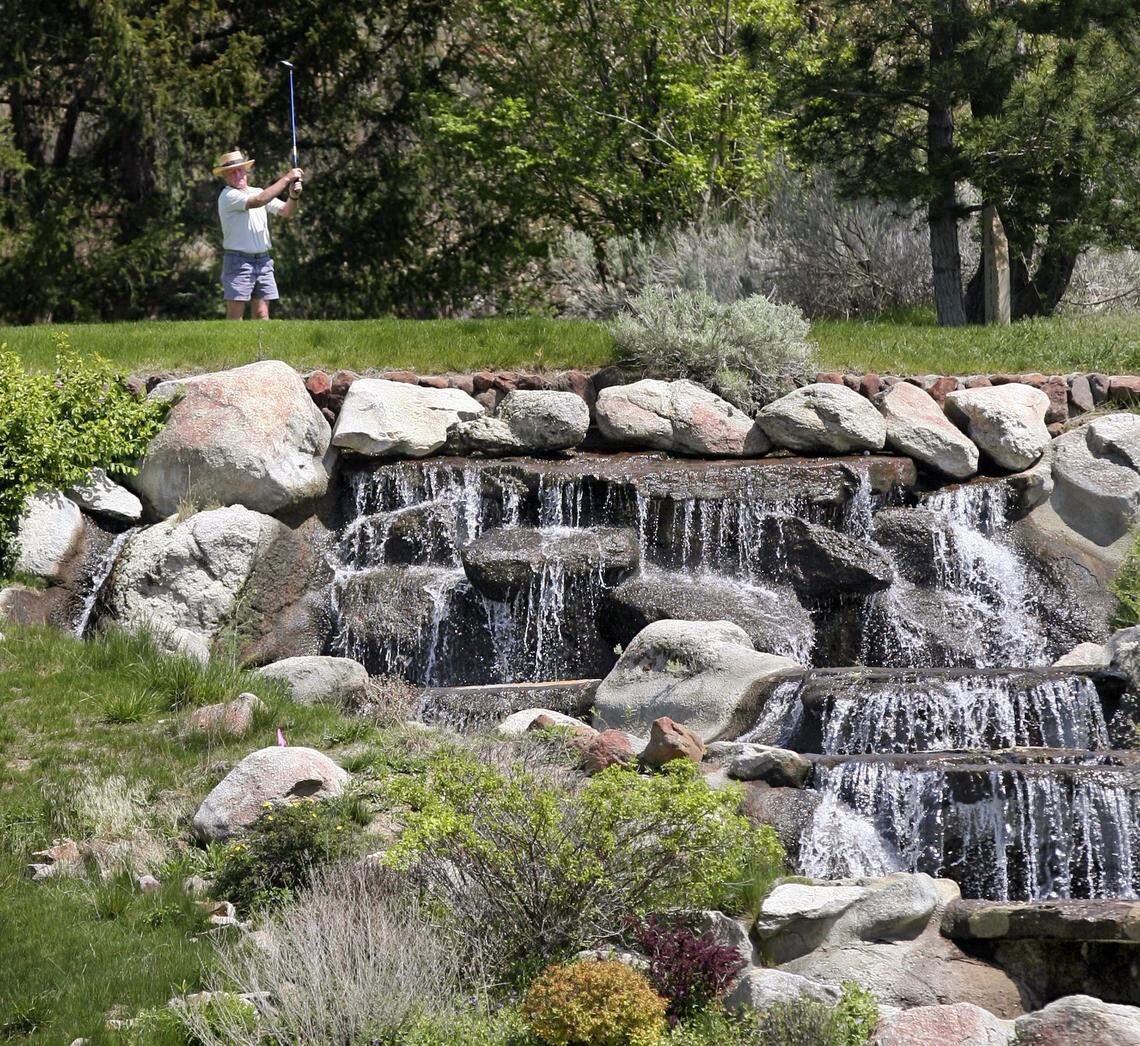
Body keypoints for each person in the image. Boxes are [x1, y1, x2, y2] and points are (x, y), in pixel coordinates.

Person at [212, 149, 303, 319]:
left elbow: (286, 211)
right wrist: (287, 178)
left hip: (263, 261)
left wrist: (293, 196)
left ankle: (261, 346)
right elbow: (259, 201)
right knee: (235, 316)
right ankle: (231, 346)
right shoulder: (228, 196)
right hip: (238, 261)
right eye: (232, 172)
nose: (237, 174)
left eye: (240, 170)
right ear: (225, 176)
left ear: (246, 171)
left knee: (262, 314)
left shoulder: (257, 190)